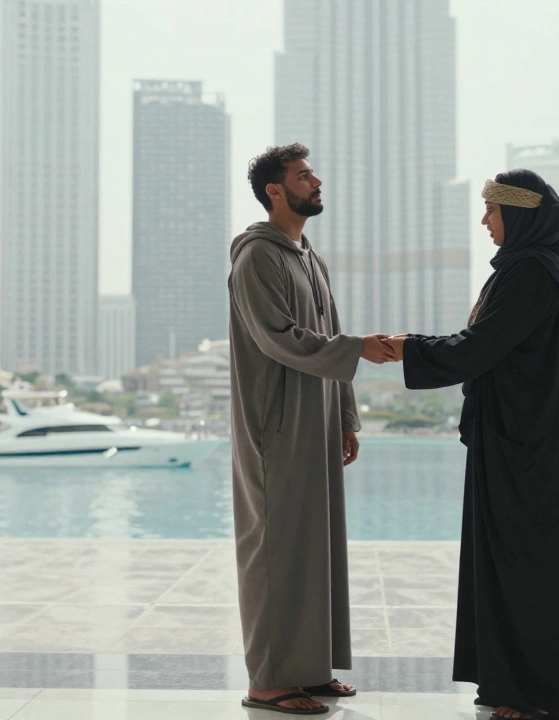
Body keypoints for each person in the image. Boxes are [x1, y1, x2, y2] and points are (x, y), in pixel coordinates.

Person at [386, 169, 559, 720]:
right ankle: (510, 684)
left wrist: (408, 348)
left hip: (529, 445)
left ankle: (539, 695)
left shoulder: (530, 273)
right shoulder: (530, 270)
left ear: (519, 214)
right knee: (510, 559)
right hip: (521, 436)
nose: (484, 220)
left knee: (530, 563)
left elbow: (480, 346)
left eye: (491, 210)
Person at [229, 144, 399, 715]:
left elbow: (330, 329)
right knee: (275, 548)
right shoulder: (257, 256)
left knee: (314, 545)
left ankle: (307, 669)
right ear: (275, 191)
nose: (317, 181)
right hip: (275, 425)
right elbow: (278, 336)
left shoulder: (309, 256)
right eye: (304, 176)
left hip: (319, 418)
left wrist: (346, 415)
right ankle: (268, 680)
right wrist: (360, 351)